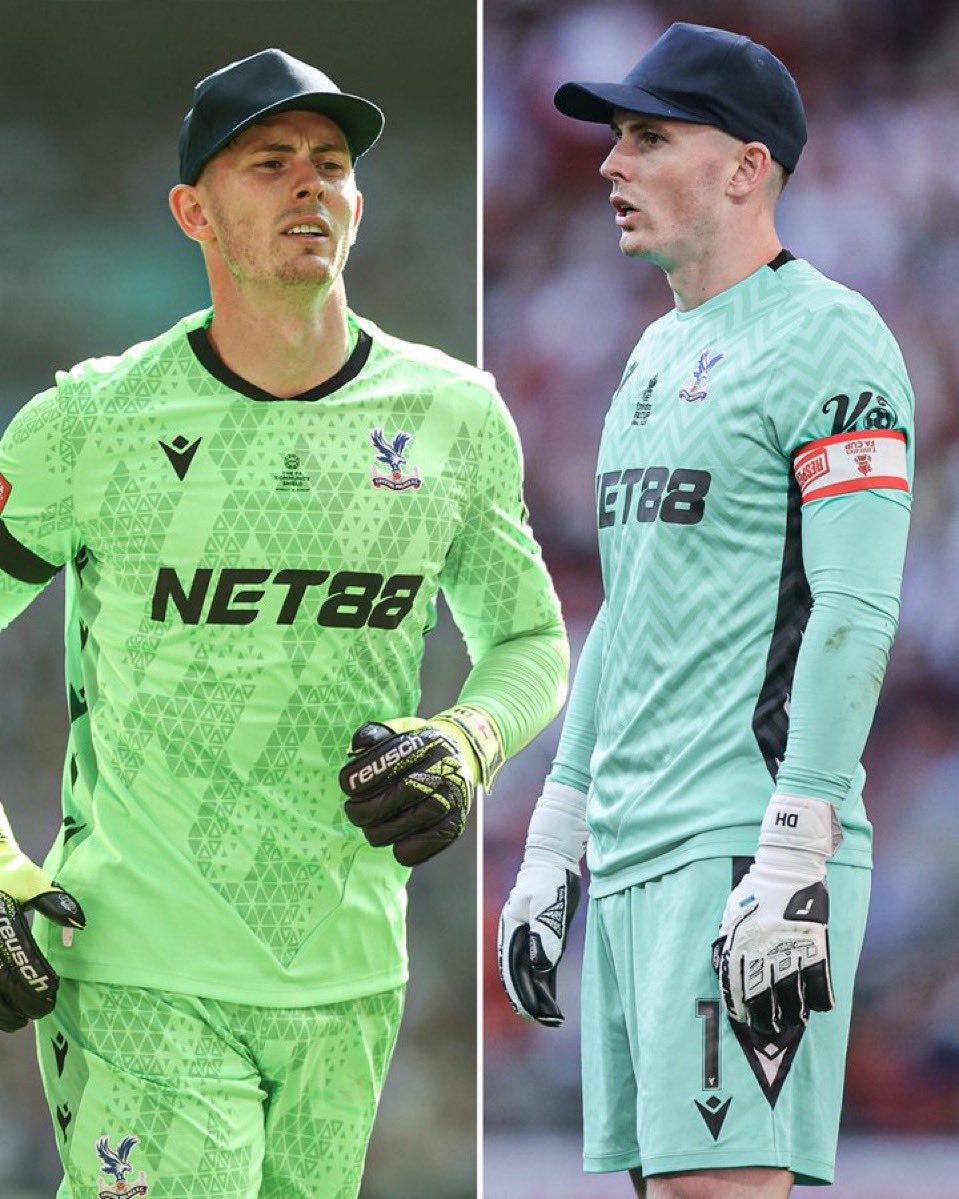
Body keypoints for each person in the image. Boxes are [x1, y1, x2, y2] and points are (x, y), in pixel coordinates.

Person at [0, 48, 567, 1198]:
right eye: (269, 163)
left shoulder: (454, 417)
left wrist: (468, 740)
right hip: (135, 965)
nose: (309, 184)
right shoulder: (88, 421)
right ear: (193, 211)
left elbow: (530, 642)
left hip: (349, 975)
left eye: (330, 164)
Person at [498, 22, 913, 1199]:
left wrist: (795, 847)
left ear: (744, 168)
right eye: (612, 138)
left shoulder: (831, 339)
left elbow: (853, 606)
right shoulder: (647, 357)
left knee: (714, 1190)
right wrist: (552, 840)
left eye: (645, 136)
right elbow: (626, 617)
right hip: (635, 846)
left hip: (741, 839)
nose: (606, 164)